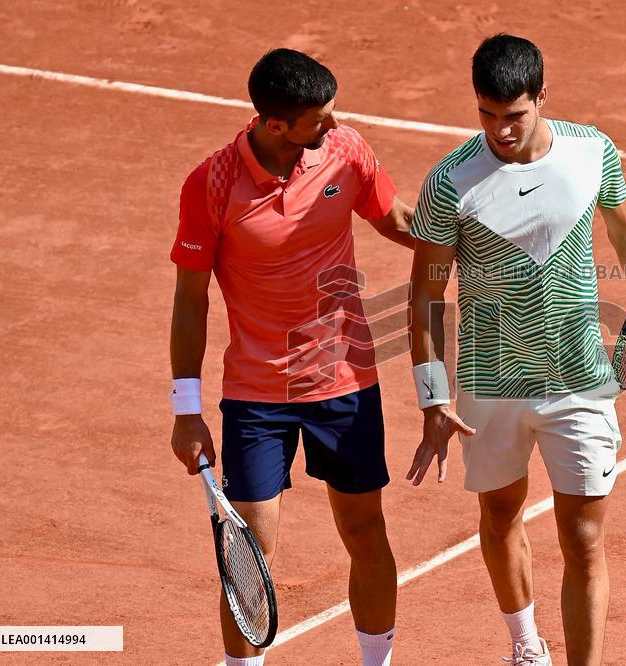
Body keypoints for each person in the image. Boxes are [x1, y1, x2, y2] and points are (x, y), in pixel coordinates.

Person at [406, 34, 626, 666]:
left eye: (514, 115)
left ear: (541, 96)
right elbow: (426, 299)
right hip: (489, 387)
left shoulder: (592, 150)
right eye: (487, 116)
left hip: (579, 381)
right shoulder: (449, 183)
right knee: (500, 517)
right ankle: (526, 647)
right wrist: (433, 398)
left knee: (582, 540)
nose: (500, 131)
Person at [169, 48, 413, 666]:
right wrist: (186, 409)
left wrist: (486, 236)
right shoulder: (212, 183)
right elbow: (191, 299)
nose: (334, 126)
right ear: (276, 125)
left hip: (344, 381)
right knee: (247, 548)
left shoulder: (346, 152)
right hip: (256, 396)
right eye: (319, 119)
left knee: (365, 533)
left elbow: (400, 223)